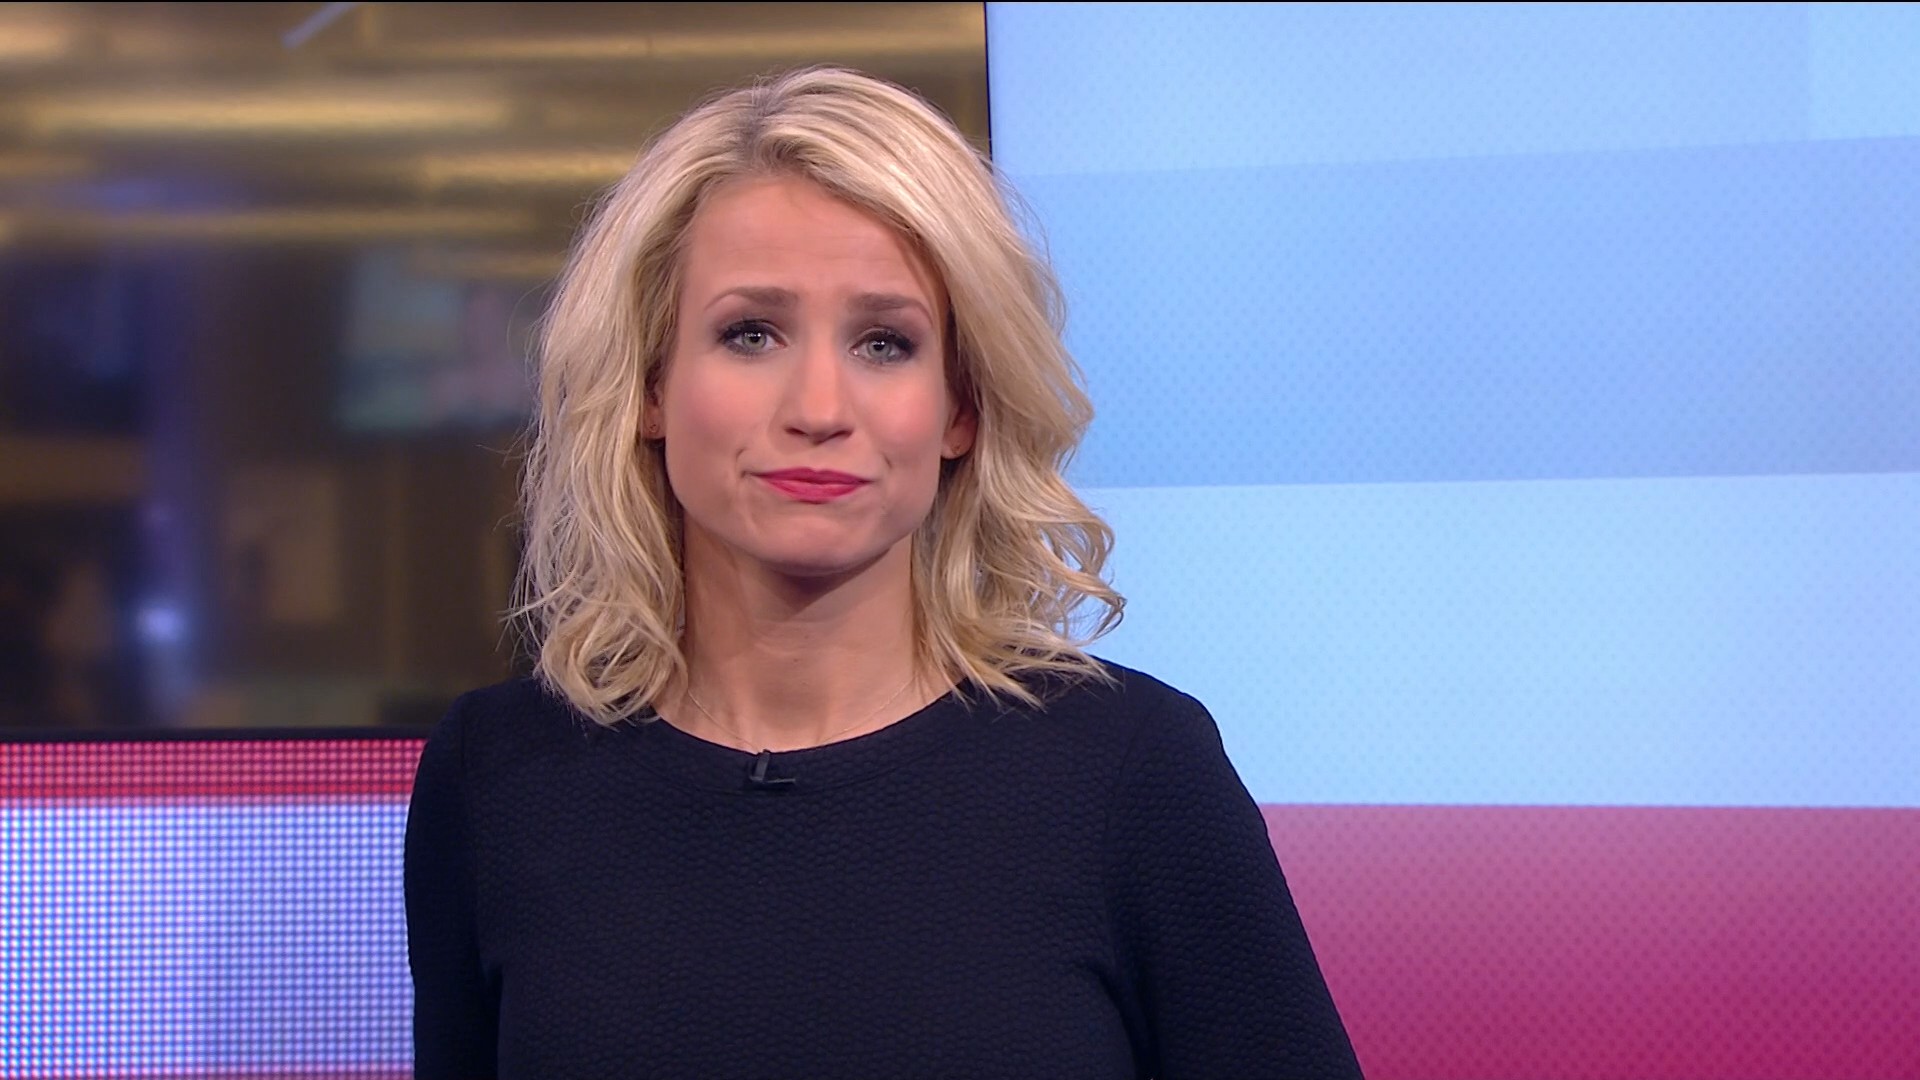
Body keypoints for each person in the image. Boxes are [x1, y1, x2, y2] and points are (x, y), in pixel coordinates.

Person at [404, 67, 1363, 1080]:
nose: (819, 407)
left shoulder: (1135, 770)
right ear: (650, 385)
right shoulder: (497, 776)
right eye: (750, 334)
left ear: (961, 408)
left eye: (884, 342)